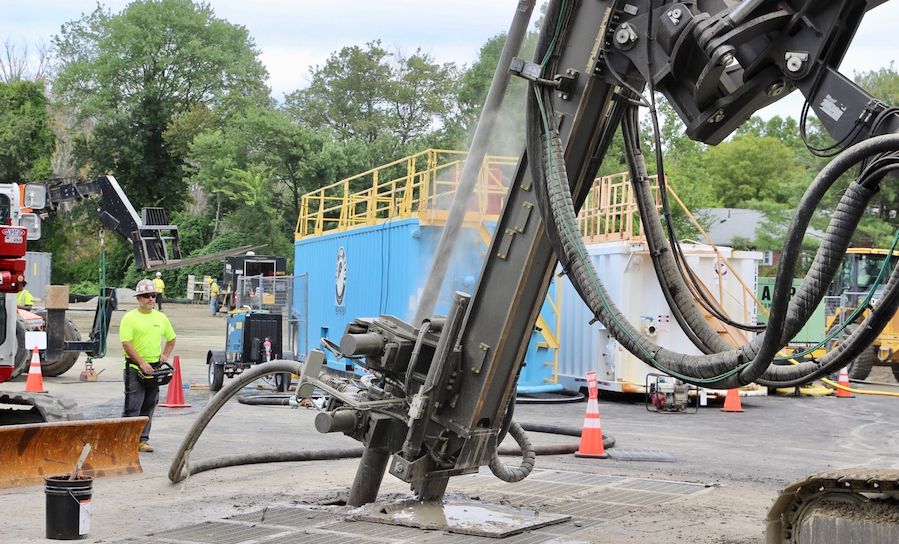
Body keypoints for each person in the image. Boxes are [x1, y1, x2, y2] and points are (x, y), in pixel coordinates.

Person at [121, 279, 176, 453]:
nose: (150, 299)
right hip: (135, 367)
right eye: (146, 296)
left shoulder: (161, 318)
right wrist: (141, 363)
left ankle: (142, 440)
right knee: (133, 405)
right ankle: (126, 441)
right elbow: (126, 344)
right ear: (139, 298)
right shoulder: (130, 318)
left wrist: (165, 354)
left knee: (149, 403)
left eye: (153, 295)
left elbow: (171, 338)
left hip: (154, 367)